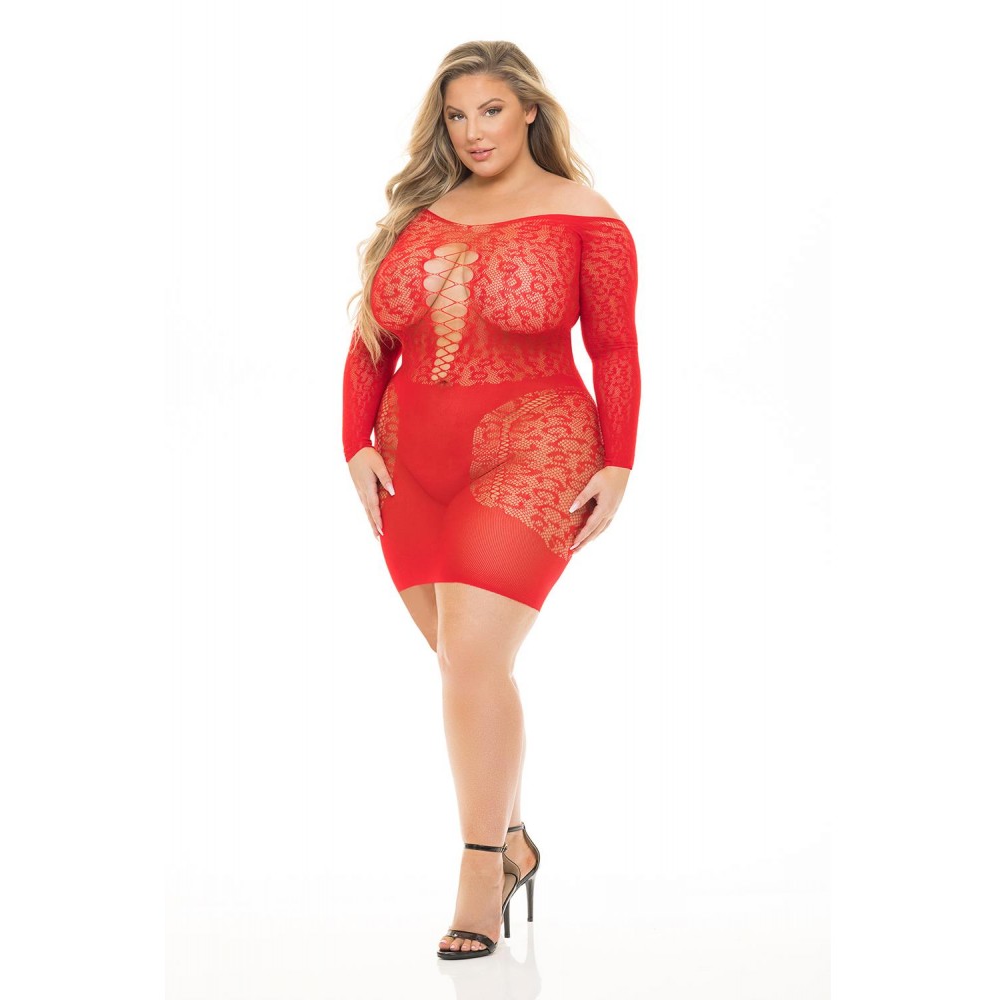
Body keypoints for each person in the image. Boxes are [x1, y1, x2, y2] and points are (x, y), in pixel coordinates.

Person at [341, 40, 641, 960]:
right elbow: (371, 341)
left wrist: (621, 463)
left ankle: (480, 873)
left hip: (537, 447)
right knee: (463, 667)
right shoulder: (419, 212)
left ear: (530, 111)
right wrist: (353, 442)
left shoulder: (586, 218)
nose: (473, 131)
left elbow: (615, 348)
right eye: (457, 115)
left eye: (492, 110)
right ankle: (513, 840)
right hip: (411, 463)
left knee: (473, 658)